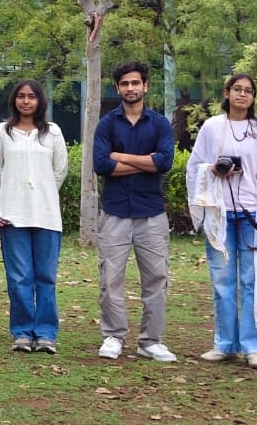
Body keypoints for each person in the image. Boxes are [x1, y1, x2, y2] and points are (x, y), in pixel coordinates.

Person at [186, 73, 257, 369]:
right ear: (226, 93)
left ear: (253, 97)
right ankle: (225, 344)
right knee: (222, 280)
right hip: (220, 213)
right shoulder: (212, 126)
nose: (242, 94)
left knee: (251, 281)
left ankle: (253, 346)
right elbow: (195, 166)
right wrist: (214, 169)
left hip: (254, 214)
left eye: (248, 91)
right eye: (237, 89)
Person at [92, 60, 177, 362]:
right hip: (115, 212)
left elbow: (164, 162)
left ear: (145, 86)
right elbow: (102, 165)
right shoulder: (106, 124)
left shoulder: (160, 124)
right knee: (110, 279)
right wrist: (145, 162)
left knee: (156, 278)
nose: (131, 88)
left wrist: (122, 157)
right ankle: (113, 336)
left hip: (151, 212)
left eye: (135, 83)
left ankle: (150, 341)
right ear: (118, 88)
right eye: (125, 83)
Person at [0, 79, 68, 354]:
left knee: (45, 276)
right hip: (13, 215)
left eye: (31, 97)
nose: (26, 101)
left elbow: (60, 171)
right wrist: (15, 195)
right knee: (19, 277)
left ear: (39, 101)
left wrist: (41, 192)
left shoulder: (53, 132)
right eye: (21, 96)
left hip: (46, 214)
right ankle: (22, 332)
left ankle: (46, 333)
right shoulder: (2, 132)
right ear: (14, 100)